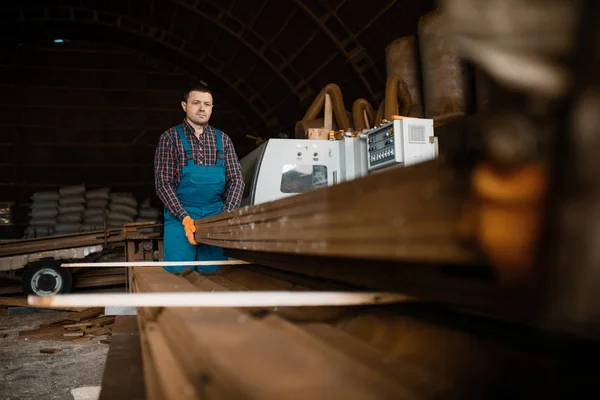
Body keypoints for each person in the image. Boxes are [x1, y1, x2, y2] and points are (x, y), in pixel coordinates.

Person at [154, 83, 244, 274]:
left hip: (215, 216)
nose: (202, 108)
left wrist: (225, 216)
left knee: (215, 275)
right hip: (180, 218)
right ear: (184, 105)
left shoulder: (223, 140)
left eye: (207, 104)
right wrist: (184, 217)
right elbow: (163, 184)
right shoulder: (170, 138)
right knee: (178, 275)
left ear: (212, 108)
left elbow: (236, 180)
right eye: (196, 103)